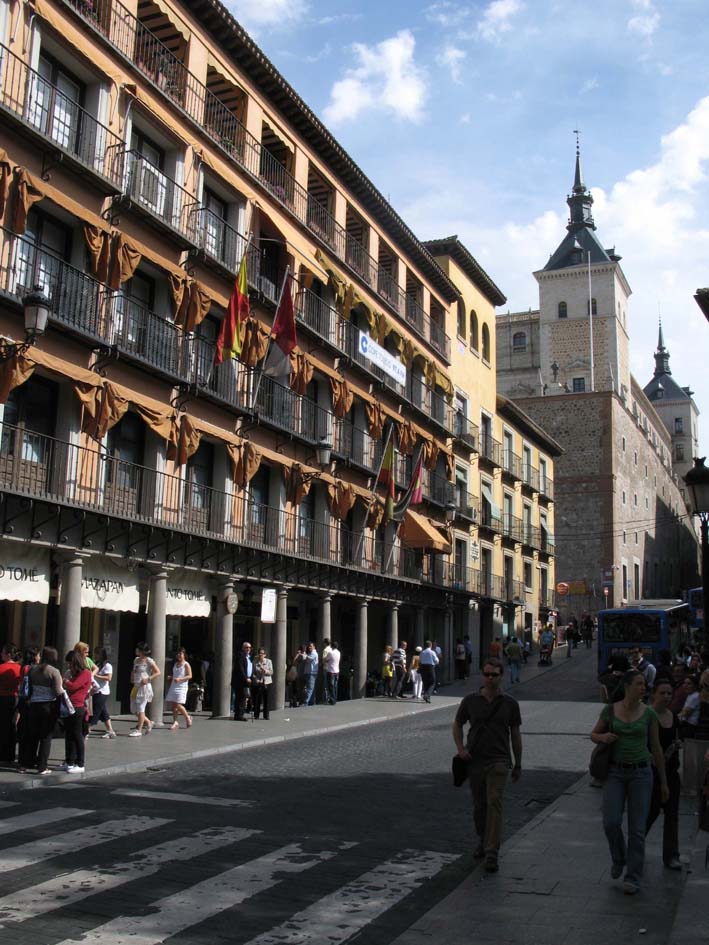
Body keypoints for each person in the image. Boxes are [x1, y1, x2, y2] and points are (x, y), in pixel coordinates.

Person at [590, 669, 668, 895]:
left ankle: (633, 876)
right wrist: (603, 737)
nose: (644, 688)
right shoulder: (610, 710)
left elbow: (656, 748)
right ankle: (619, 857)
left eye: (644, 685)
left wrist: (663, 782)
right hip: (615, 772)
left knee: (637, 829)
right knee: (611, 822)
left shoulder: (649, 714)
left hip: (641, 774)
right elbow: (594, 734)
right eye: (639, 684)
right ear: (627, 686)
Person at [452, 658, 522, 874]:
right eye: (487, 674)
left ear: (502, 676)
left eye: (495, 674)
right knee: (480, 807)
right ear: (482, 675)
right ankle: (483, 840)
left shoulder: (510, 703)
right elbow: (457, 724)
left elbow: (515, 735)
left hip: (499, 761)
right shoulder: (470, 701)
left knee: (494, 803)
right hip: (475, 761)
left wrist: (518, 763)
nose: (490, 678)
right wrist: (461, 748)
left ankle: (492, 852)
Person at [645, 680, 682, 870]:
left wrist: (676, 746)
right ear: (654, 694)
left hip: (672, 773)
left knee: (672, 815)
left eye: (669, 693)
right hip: (651, 774)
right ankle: (636, 847)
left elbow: (677, 739)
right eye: (663, 693)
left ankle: (671, 855)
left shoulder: (673, 717)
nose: (667, 697)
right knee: (650, 812)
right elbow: (643, 745)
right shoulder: (646, 716)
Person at [19, 647, 63, 774]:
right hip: (48, 706)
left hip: (33, 705)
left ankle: (25, 763)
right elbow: (57, 691)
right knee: (45, 737)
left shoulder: (33, 669)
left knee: (32, 735)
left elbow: (28, 687)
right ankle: (42, 766)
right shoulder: (54, 671)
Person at [63, 651, 92, 773]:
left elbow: (74, 686)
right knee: (69, 735)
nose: (69, 666)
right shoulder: (75, 674)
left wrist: (65, 681)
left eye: (70, 663)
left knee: (77, 735)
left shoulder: (85, 673)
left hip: (78, 706)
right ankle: (69, 760)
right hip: (70, 706)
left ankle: (80, 763)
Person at [129, 643, 160, 736]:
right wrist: (132, 677)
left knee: (141, 708)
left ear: (141, 651)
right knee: (133, 709)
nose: (136, 650)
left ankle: (139, 730)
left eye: (138, 649)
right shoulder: (136, 660)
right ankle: (148, 722)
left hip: (144, 687)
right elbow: (133, 670)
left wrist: (148, 678)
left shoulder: (149, 661)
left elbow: (158, 672)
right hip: (136, 686)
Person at [0, 644, 21, 764]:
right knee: (12, 726)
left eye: (2, 652)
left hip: (2, 698)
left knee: (2, 725)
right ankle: (10, 754)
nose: (1, 654)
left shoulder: (1, 667)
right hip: (15, 698)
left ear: (8, 654)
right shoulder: (20, 668)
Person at [91, 648, 116, 739]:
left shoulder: (107, 665)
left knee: (95, 710)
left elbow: (109, 678)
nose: (95, 656)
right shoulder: (96, 664)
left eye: (97, 654)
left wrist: (96, 675)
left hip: (103, 691)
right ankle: (110, 731)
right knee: (103, 712)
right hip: (95, 690)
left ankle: (87, 729)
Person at [166, 647, 192, 730]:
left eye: (180, 653)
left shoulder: (186, 664)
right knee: (174, 705)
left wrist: (180, 679)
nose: (178, 655)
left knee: (178, 704)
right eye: (178, 654)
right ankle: (175, 721)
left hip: (182, 686)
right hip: (174, 685)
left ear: (184, 655)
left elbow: (189, 675)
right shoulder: (175, 664)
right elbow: (176, 675)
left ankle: (187, 717)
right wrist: (171, 677)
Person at [232, 642, 253, 721]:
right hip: (240, 681)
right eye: (246, 647)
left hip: (246, 680)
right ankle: (239, 715)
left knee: (243, 698)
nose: (248, 649)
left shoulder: (248, 657)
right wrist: (245, 678)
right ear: (243, 648)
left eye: (249, 647)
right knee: (240, 698)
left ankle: (239, 714)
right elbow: (240, 668)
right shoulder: (241, 655)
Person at [251, 647, 273, 720]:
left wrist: (264, 670)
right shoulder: (255, 661)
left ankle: (266, 715)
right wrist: (256, 679)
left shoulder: (269, 661)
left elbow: (271, 672)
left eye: (262, 653)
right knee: (257, 699)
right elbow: (253, 673)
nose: (261, 655)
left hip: (267, 682)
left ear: (265, 654)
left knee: (266, 699)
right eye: (259, 653)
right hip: (258, 682)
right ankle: (256, 715)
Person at [323, 641, 340, 705]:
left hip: (331, 671)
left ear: (331, 646)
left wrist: (325, 659)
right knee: (335, 686)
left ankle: (332, 700)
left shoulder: (330, 652)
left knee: (331, 686)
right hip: (337, 671)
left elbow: (325, 660)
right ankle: (335, 699)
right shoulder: (339, 652)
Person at [302, 641, 318, 706]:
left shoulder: (314, 653)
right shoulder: (310, 653)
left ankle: (306, 702)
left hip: (311, 673)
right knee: (312, 688)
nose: (309, 647)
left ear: (314, 647)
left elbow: (307, 659)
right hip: (309, 672)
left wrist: (304, 654)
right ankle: (311, 702)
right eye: (309, 646)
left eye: (311, 646)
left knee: (309, 688)